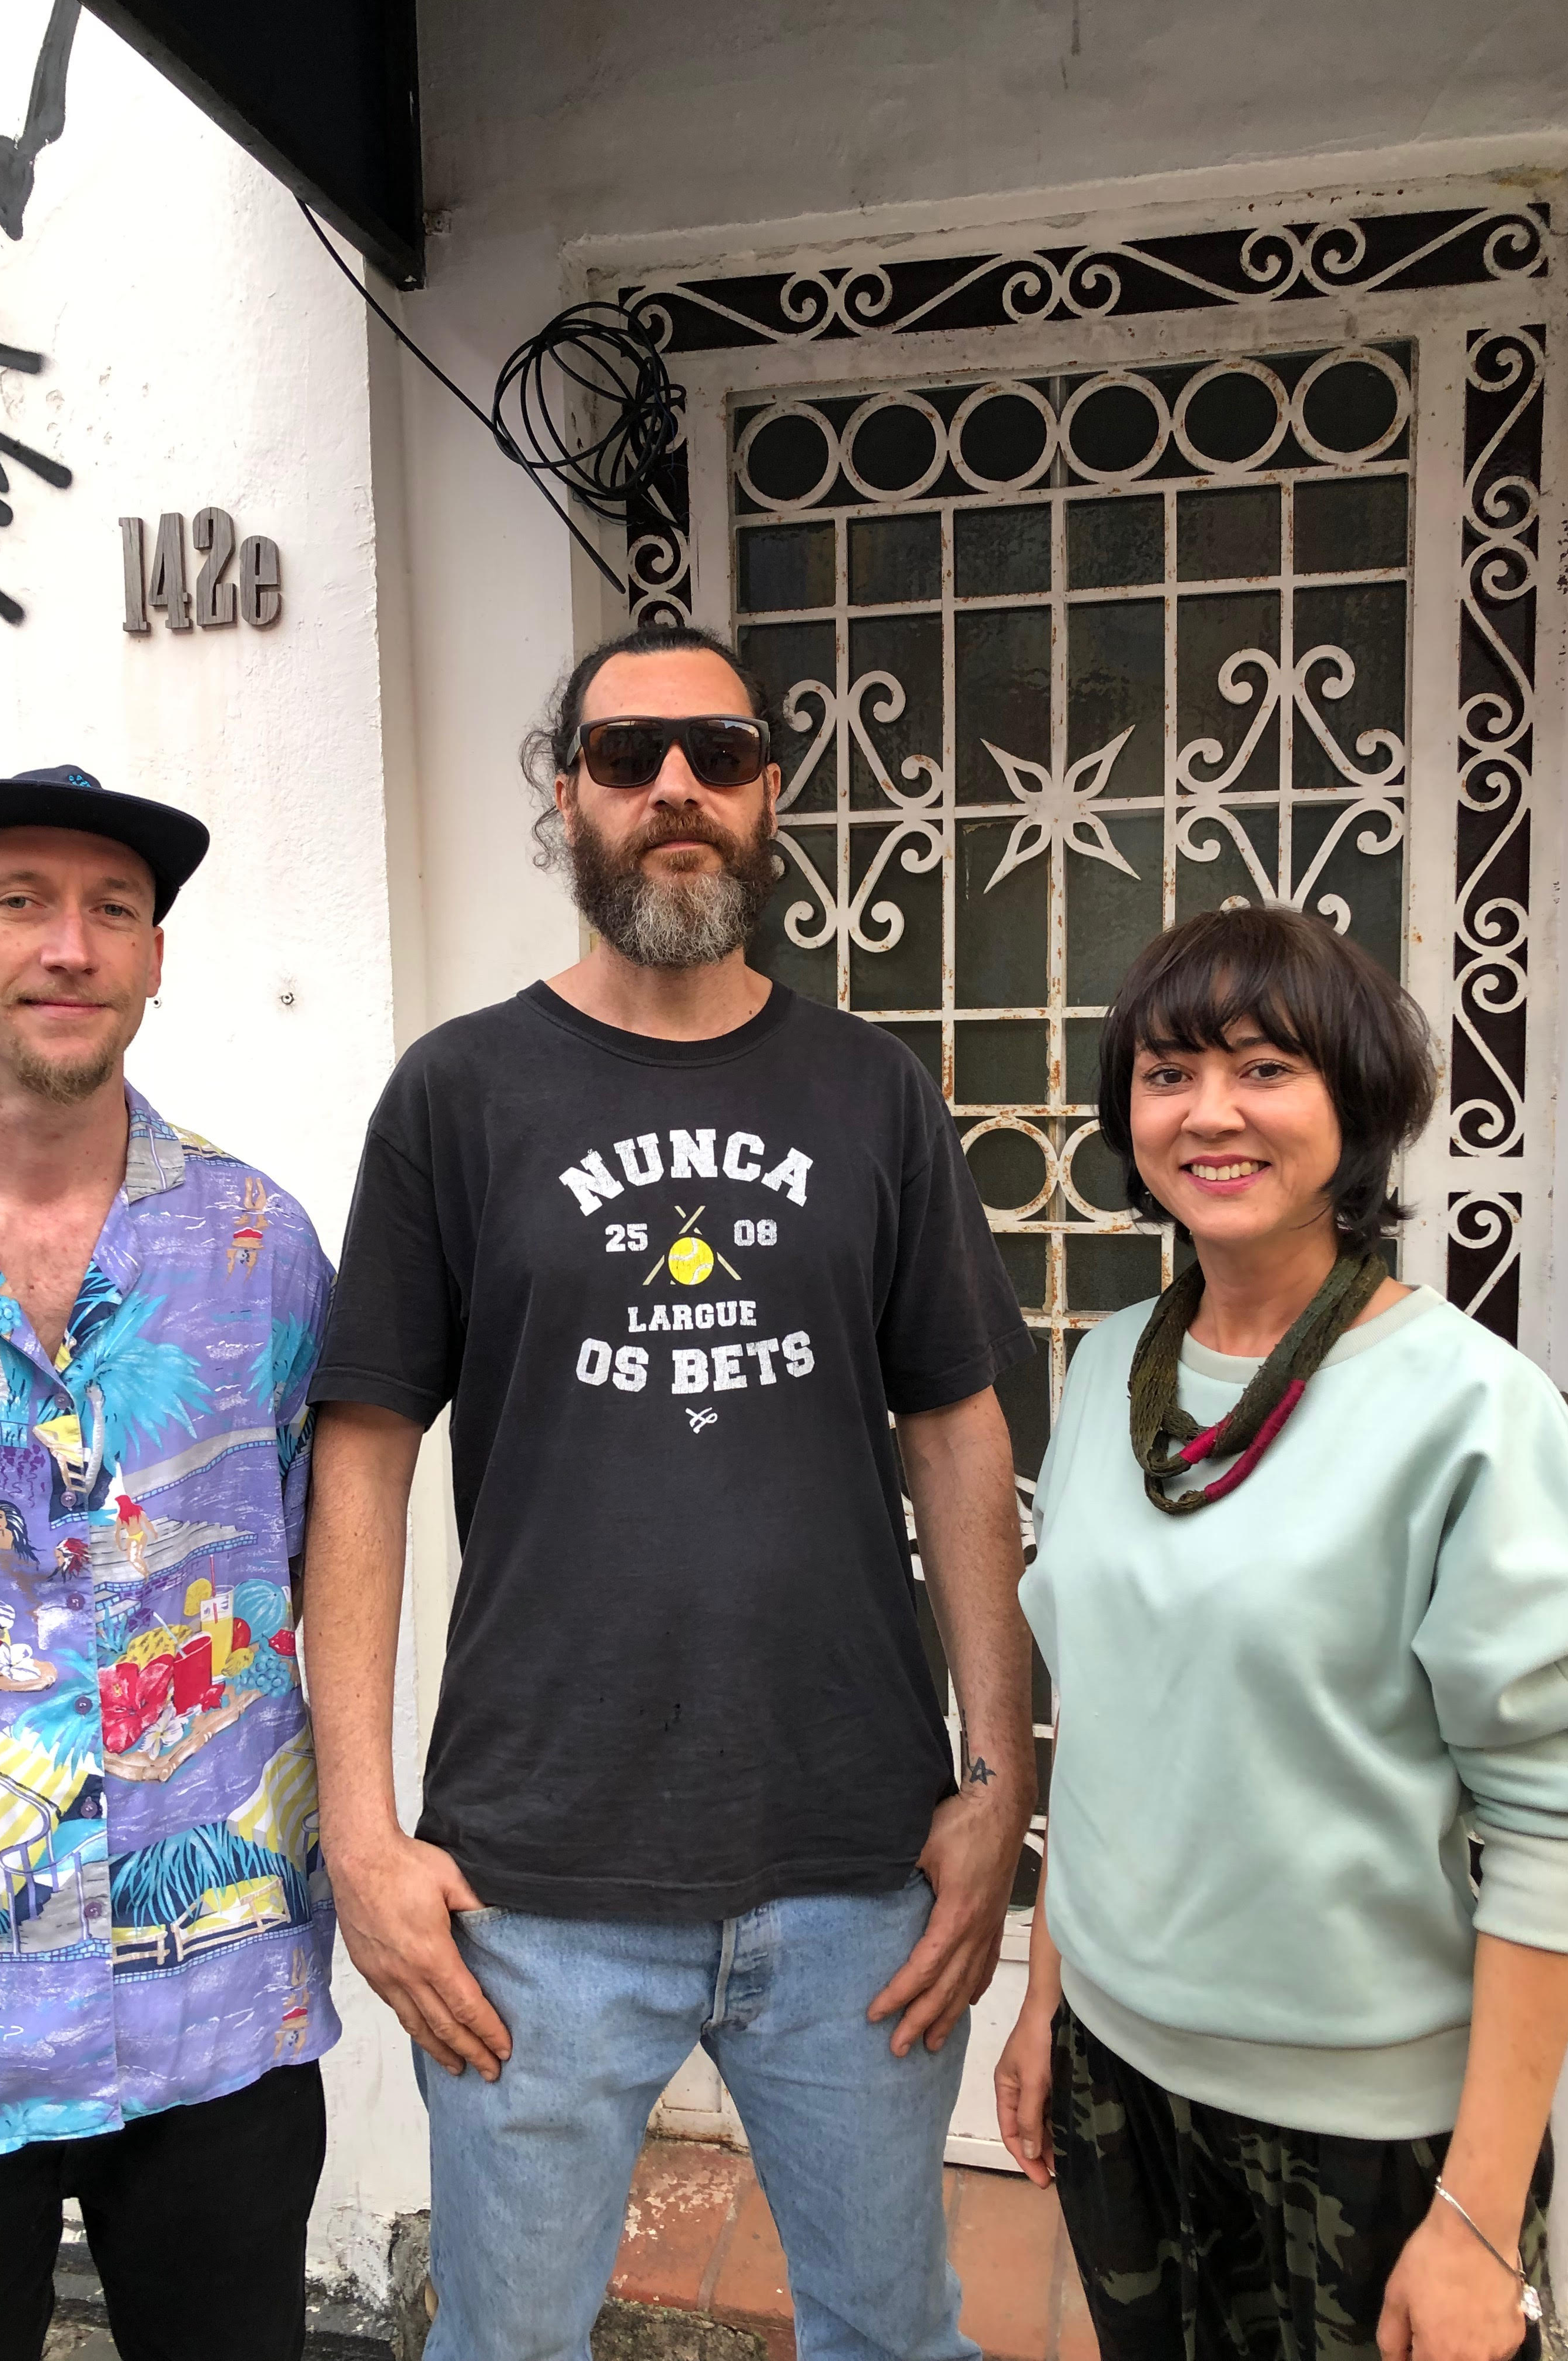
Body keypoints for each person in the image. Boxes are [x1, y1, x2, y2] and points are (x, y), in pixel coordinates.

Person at [303, 623, 1036, 2361]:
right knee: (508, 2346)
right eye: (629, 758)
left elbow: (960, 1435)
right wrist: (362, 1835)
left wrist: (998, 1787)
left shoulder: (874, 1091)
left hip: (855, 1866)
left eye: (720, 753)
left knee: (893, 2336)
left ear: (772, 792)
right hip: (534, 1887)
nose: (677, 789)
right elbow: (362, 1458)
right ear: (568, 799)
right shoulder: (458, 1094)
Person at [994, 906, 1568, 2361]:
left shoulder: (1472, 1413)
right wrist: (1045, 2004)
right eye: (1168, 1073)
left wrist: (1479, 2217)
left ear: (1358, 1104)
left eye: (1265, 1068)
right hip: (1118, 2082)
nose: (1210, 1112)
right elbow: (1103, 1724)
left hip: (1368, 2133)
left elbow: (1548, 1828)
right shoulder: (1110, 1374)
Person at [0, 766, 336, 2361]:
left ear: (156, 957)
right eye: (20, 901)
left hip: (219, 2010)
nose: (70, 944)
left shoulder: (263, 1249)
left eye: (113, 909)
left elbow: (311, 1560)